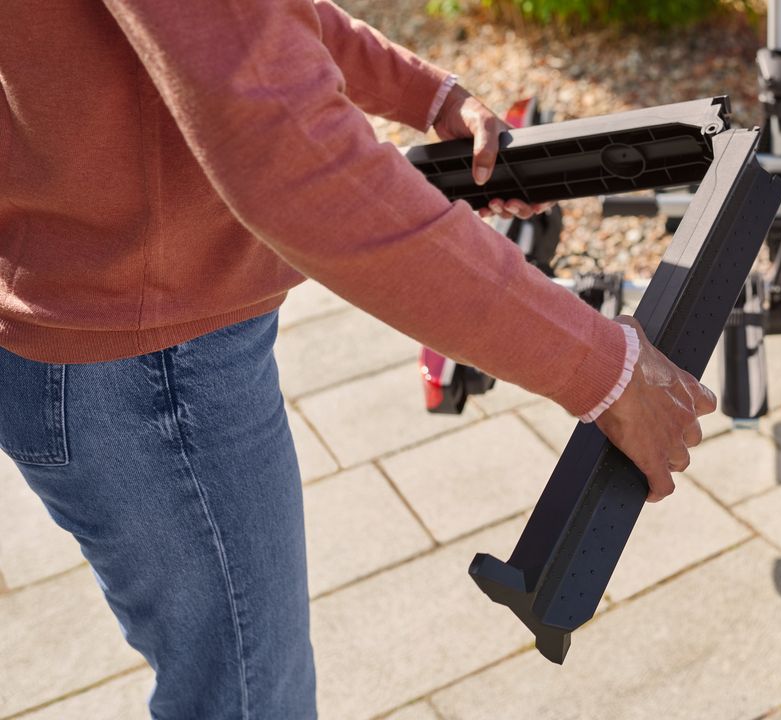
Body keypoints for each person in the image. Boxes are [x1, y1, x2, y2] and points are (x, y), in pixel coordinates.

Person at [0, 1, 716, 717]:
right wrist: (601, 368)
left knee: (231, 681)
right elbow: (290, 153)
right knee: (248, 699)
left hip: (118, 319)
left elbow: (249, 26)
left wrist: (426, 93)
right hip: (148, 368)